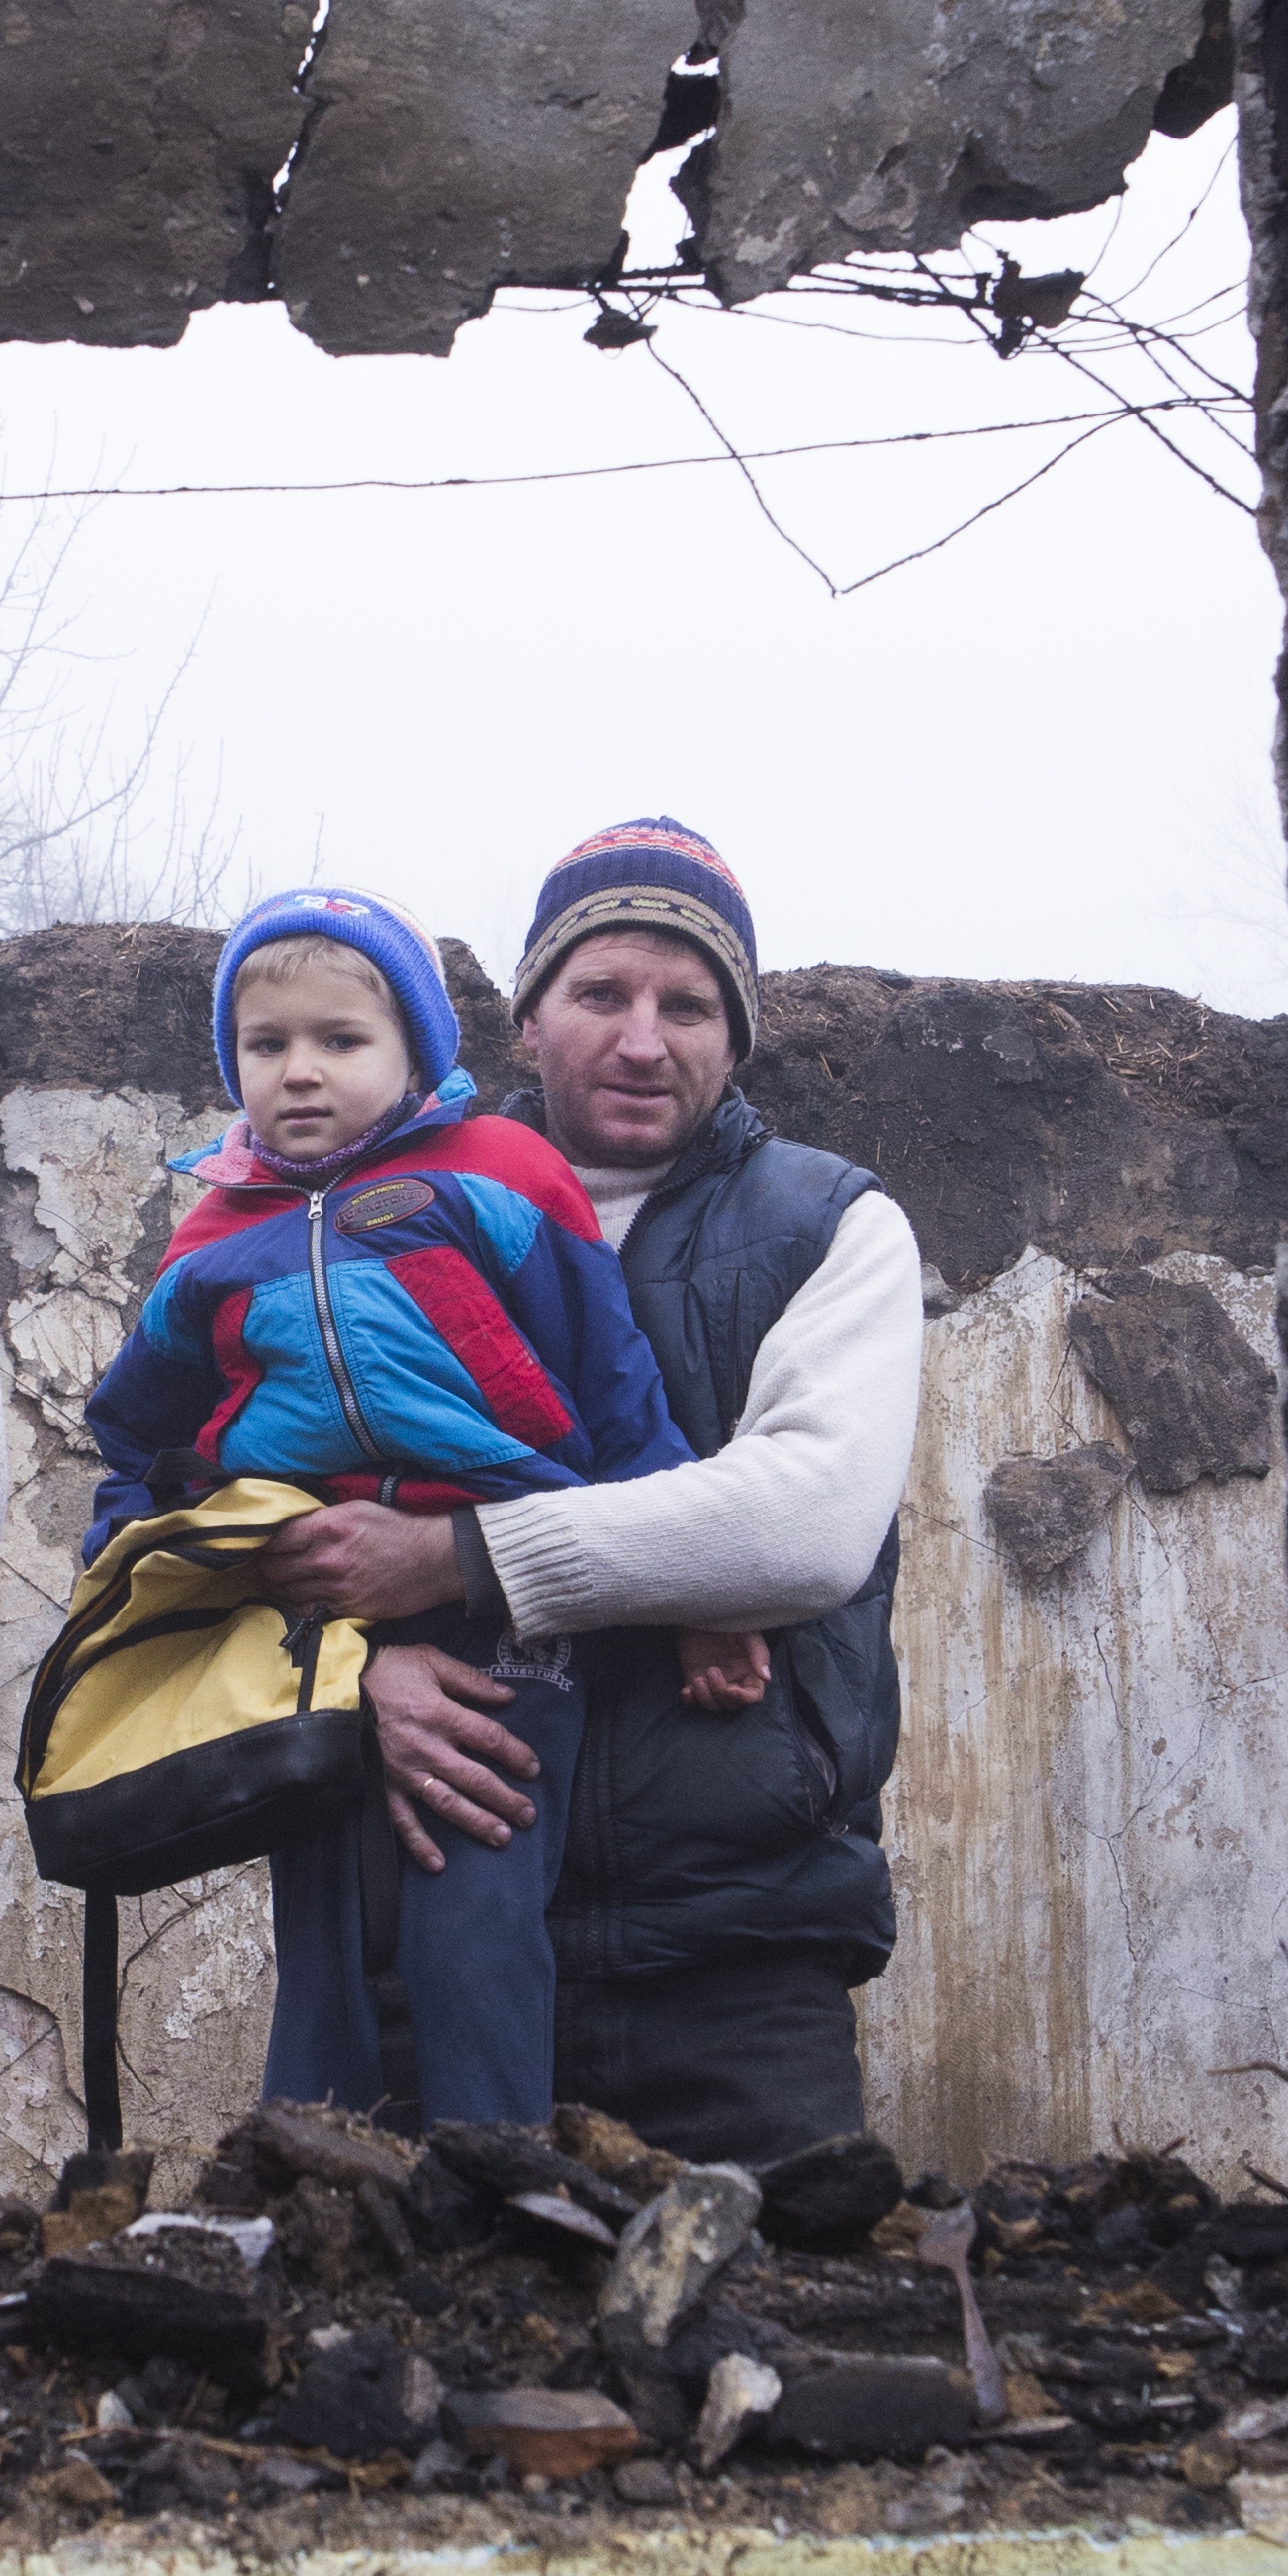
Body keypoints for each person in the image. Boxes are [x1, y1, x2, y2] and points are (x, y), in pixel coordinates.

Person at [261, 820, 924, 2166]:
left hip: (740, 1974)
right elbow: (230, 1520)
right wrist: (348, 1671)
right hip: (431, 1937)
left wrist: (458, 1560)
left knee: (756, 2355)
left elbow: (804, 1525)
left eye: (688, 1005)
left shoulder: (829, 1227)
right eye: (600, 994)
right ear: (525, 1019)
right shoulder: (351, 1218)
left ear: (737, 1038)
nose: (641, 1039)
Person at [78, 887, 765, 2130]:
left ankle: (496, 2181)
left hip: (507, 1600)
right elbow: (137, 1438)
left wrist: (700, 1604)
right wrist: (125, 1581)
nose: (298, 1072)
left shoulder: (499, 1175)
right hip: (315, 1634)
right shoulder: (208, 1243)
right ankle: (304, 2198)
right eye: (265, 1043)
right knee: (323, 1940)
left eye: (340, 1040)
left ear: (414, 1052)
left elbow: (615, 1396)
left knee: (475, 1912)